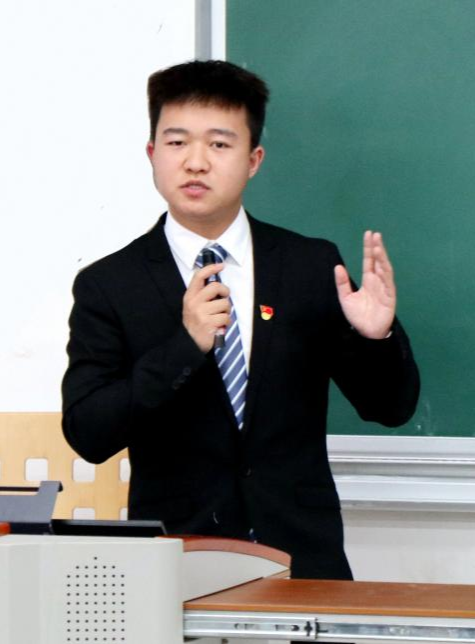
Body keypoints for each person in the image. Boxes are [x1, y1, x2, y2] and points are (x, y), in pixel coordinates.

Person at [61, 60, 419, 580]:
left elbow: (390, 408)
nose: (196, 162)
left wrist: (376, 336)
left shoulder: (308, 266)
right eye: (177, 142)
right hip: (177, 566)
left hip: (304, 561)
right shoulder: (110, 285)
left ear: (253, 160)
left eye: (219, 144)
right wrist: (185, 346)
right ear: (152, 154)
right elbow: (89, 433)